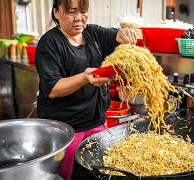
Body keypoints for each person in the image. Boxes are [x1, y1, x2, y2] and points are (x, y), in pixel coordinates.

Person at [35, 0, 137, 179]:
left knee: (98, 173)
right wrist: (85, 77)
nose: (79, 19)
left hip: (98, 124)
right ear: (56, 12)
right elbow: (53, 88)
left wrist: (123, 33)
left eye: (83, 12)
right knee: (68, 176)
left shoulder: (93, 34)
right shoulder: (49, 43)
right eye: (71, 12)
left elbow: (115, 36)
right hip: (66, 131)